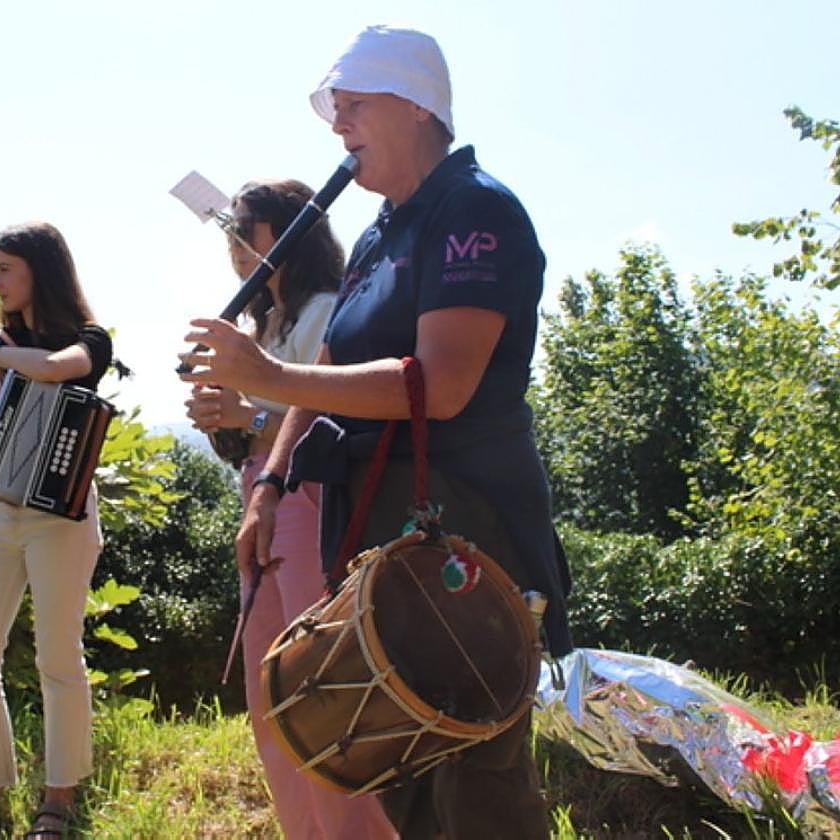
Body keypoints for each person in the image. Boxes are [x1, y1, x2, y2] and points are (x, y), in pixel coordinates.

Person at [179, 25, 573, 840]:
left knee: (476, 780)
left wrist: (265, 375)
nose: (337, 124)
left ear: (417, 105)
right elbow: (327, 361)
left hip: (467, 529)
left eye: (354, 105)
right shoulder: (376, 234)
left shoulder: (476, 210)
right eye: (336, 107)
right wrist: (272, 486)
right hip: (379, 532)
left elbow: (444, 384)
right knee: (400, 768)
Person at [183, 180, 397, 840]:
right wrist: (229, 422)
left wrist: (254, 414)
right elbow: (259, 430)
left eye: (246, 224)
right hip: (265, 505)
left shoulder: (329, 311)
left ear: (289, 231)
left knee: (318, 693)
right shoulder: (267, 325)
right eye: (227, 226)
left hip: (310, 504)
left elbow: (334, 420)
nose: (233, 240)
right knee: (271, 694)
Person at [0, 222, 114, 839]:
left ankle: (57, 798)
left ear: (39, 269)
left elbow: (60, 368)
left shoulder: (90, 340)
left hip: (61, 518)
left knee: (57, 657)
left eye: (4, 268)